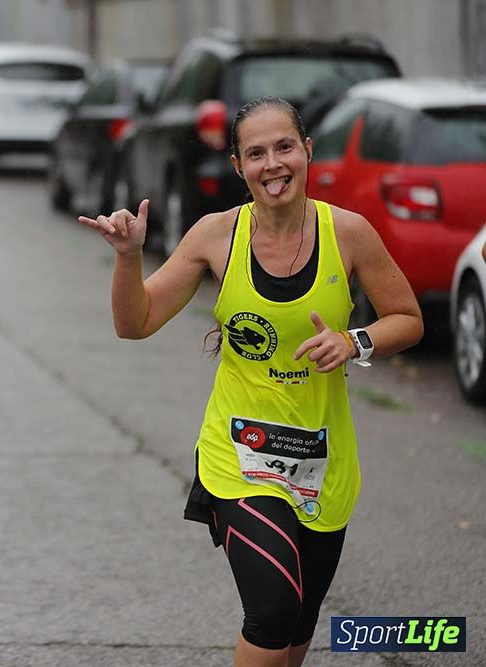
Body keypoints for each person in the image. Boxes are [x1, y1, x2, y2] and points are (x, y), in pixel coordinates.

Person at [78, 97, 423, 667]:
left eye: (285, 147)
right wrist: (129, 257)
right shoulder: (215, 236)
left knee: (299, 622)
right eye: (256, 153)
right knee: (272, 611)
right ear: (238, 166)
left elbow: (408, 319)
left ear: (307, 150)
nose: (273, 164)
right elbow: (134, 323)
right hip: (238, 456)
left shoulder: (349, 233)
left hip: (322, 463)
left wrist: (354, 341)